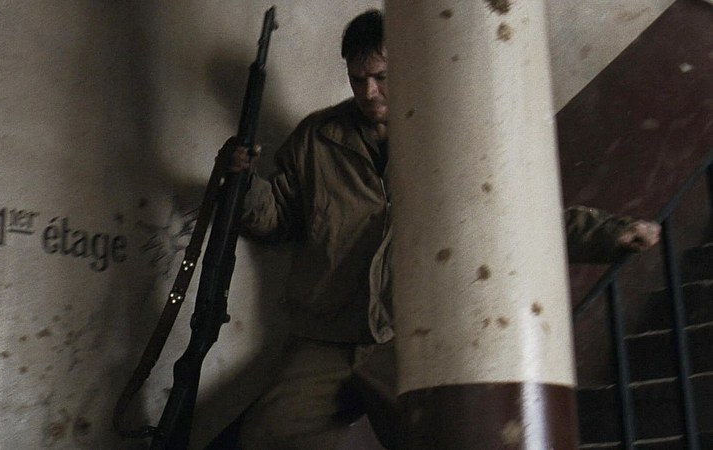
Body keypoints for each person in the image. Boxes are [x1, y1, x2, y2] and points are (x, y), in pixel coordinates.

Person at [221, 9, 661, 450]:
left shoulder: (450, 137)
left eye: (381, 76)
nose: (369, 92)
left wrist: (608, 234)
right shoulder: (315, 139)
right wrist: (241, 184)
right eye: (357, 79)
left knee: (442, 436)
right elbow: (277, 218)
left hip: (411, 334)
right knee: (267, 435)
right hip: (327, 334)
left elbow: (516, 217)